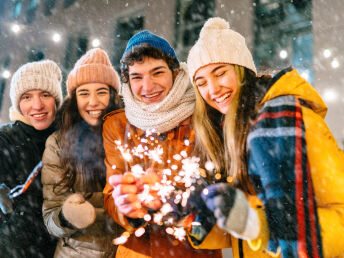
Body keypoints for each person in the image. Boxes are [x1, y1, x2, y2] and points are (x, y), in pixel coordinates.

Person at [186, 17, 344, 258]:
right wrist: (195, 214)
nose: (213, 89)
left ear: (242, 71)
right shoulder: (226, 137)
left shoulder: (291, 121)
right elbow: (235, 236)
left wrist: (259, 226)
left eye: (220, 74)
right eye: (202, 83)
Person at [102, 30, 228, 258]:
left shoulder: (206, 115)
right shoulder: (117, 125)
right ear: (127, 81)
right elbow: (111, 195)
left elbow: (221, 185)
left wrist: (176, 204)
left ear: (175, 72)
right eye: (136, 77)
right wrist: (128, 208)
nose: (147, 87)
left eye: (157, 73)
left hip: (195, 251)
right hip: (138, 252)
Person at [41, 48, 123, 257]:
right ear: (74, 100)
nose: (93, 101)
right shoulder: (58, 143)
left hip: (126, 251)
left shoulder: (131, 135)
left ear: (113, 96)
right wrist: (67, 216)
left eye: (101, 92)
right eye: (84, 93)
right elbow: (51, 215)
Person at [0, 60, 62, 257]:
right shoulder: (6, 139)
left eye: (45, 95)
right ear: (18, 103)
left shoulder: (70, 140)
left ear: (57, 100)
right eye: (27, 97)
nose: (37, 105)